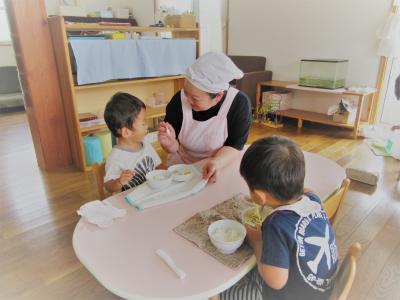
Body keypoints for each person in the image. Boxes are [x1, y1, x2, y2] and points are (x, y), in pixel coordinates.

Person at [221, 136, 338, 300]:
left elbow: (275, 282)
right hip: (320, 291)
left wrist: (256, 241)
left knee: (222, 293)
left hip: (289, 295)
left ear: (259, 197)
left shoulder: (275, 224)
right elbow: (308, 190)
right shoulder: (314, 200)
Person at [158, 52, 252, 183]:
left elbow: (235, 145)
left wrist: (216, 162)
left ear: (218, 96)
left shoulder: (238, 104)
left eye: (195, 98)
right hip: (183, 166)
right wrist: (170, 144)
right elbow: (173, 147)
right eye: (186, 92)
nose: (188, 100)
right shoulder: (178, 101)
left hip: (220, 163)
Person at [103, 92, 161, 193]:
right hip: (130, 200)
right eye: (143, 123)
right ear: (126, 132)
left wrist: (171, 172)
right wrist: (119, 182)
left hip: (151, 193)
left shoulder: (145, 144)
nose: (147, 126)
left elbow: (158, 166)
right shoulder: (116, 157)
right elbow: (108, 186)